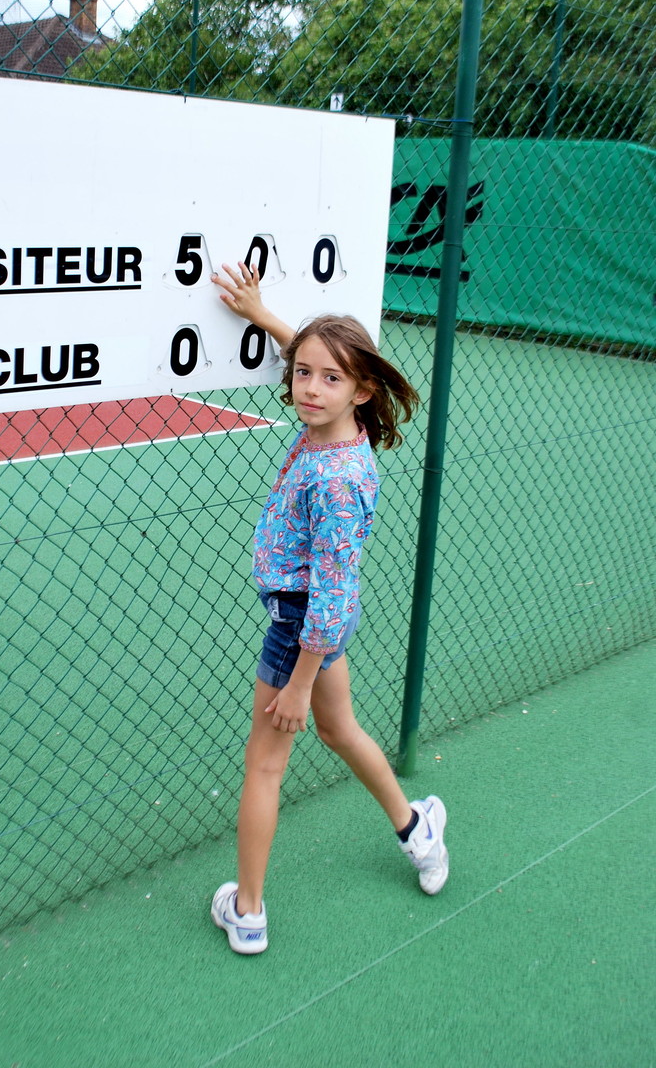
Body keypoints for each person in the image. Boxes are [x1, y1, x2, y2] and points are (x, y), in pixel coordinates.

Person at [208, 260, 449, 955]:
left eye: (329, 378)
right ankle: (415, 828)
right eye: (303, 372)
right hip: (316, 627)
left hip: (302, 630)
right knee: (341, 733)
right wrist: (266, 316)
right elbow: (322, 356)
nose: (310, 388)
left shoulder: (338, 478)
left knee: (265, 766)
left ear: (363, 390)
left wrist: (299, 681)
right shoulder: (345, 429)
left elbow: (334, 592)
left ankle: (246, 910)